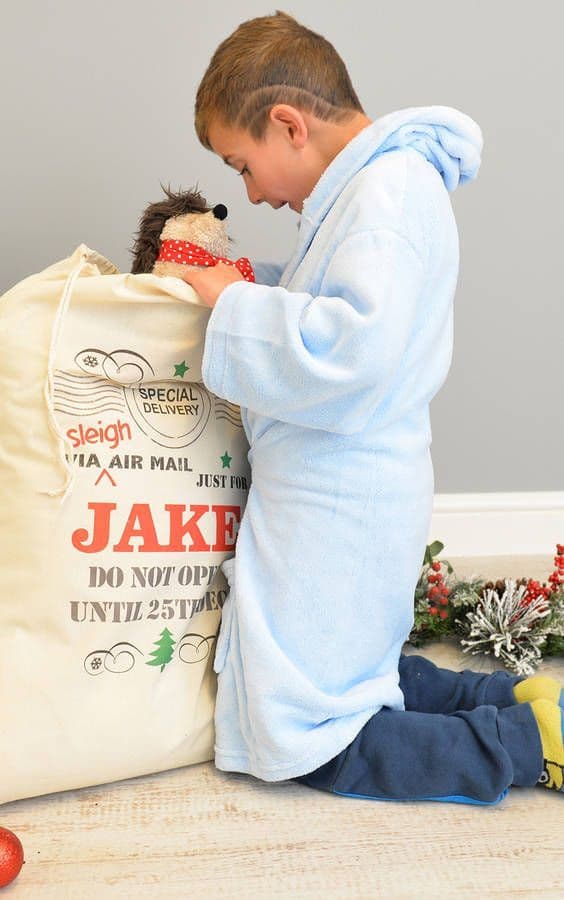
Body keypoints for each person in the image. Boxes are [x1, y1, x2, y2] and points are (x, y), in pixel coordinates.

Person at [180, 10, 564, 803]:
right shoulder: (369, 192)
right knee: (345, 671)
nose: (249, 192)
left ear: (289, 126)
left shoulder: (385, 196)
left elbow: (353, 350)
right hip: (343, 484)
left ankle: (529, 744)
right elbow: (331, 303)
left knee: (316, 737)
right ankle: (514, 699)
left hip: (343, 495)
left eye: (243, 165)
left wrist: (234, 306)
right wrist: (248, 281)